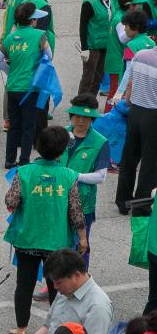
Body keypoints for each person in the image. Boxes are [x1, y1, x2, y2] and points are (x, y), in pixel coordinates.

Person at [4, 128, 88, 334]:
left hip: (27, 238)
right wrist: (83, 238)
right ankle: (56, 328)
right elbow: (76, 211)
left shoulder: (23, 172)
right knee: (56, 286)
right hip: (57, 242)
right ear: (61, 151)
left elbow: (11, 201)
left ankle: (21, 327)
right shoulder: (68, 176)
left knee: (24, 283)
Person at [14, 249, 114, 334]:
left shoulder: (98, 306)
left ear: (76, 275)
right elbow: (49, 326)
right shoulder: (65, 291)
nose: (55, 287)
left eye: (59, 283)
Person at [2, 2, 53, 168]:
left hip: (13, 87)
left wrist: (10, 71)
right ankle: (24, 160)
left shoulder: (11, 37)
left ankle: (9, 160)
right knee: (29, 125)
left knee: (14, 124)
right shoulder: (40, 35)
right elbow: (49, 56)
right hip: (30, 89)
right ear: (32, 20)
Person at [63, 96, 110, 264]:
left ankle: (80, 285)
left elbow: (101, 176)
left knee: (80, 246)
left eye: (86, 117)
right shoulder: (62, 134)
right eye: (77, 116)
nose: (81, 120)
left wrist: (75, 176)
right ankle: (55, 282)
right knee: (58, 245)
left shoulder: (100, 142)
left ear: (92, 119)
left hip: (83, 203)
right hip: (58, 198)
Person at [114, 48, 157, 232]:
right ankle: (141, 205)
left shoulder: (140, 55)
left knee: (129, 158)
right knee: (150, 163)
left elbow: (129, 85)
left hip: (135, 111)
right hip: (153, 115)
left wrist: (130, 104)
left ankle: (123, 201)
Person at [80, 0, 122, 97]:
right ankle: (80, 108)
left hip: (106, 44)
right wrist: (84, 47)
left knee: (98, 78)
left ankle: (90, 105)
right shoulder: (89, 2)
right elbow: (83, 25)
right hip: (93, 46)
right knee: (88, 77)